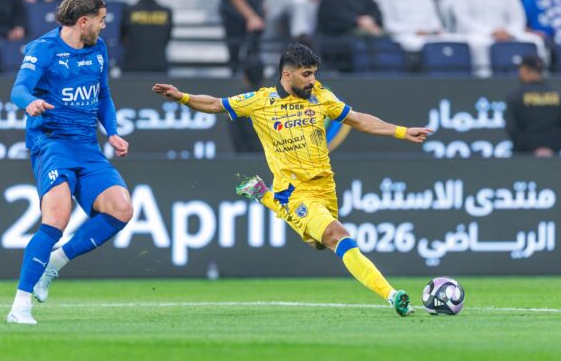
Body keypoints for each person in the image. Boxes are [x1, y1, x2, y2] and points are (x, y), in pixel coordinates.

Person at [152, 42, 433, 317]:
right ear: (287, 74)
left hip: (325, 187)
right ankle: (392, 295)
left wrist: (401, 131)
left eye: (314, 73)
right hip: (295, 192)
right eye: (306, 74)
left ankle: (263, 195)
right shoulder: (261, 101)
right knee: (338, 235)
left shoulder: (321, 96)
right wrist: (182, 97)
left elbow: (358, 120)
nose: (313, 80)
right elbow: (215, 104)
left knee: (319, 243)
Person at [7, 0, 133, 324]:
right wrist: (30, 103)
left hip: (87, 146)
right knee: (56, 219)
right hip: (52, 144)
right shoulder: (43, 49)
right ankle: (20, 306)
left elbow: (103, 96)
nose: (104, 26)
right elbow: (18, 90)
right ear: (83, 21)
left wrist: (112, 132)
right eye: (101, 20)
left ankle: (55, 263)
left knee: (122, 209)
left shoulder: (99, 49)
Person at [452, 0, 545, 77]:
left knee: (536, 41)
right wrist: (490, 32)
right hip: (477, 34)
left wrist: (510, 31)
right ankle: (484, 79)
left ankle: (539, 78)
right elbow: (463, 18)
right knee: (480, 44)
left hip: (505, 33)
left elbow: (517, 16)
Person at [505, 55, 561, 157]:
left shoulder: (515, 97)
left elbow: (512, 129)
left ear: (524, 70)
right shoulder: (560, 96)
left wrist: (531, 149)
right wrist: (553, 148)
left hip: (523, 157)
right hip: (554, 157)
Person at [121, 0, 173, 73]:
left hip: (132, 70)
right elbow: (166, 39)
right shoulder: (166, 12)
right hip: (159, 69)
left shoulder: (129, 11)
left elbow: (123, 39)